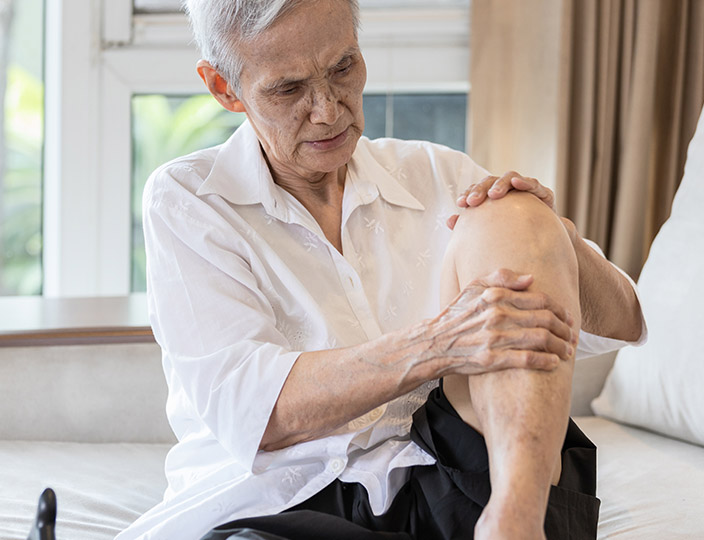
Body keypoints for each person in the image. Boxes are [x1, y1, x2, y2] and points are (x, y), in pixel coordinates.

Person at [117, 1, 645, 538]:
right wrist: (440, 342)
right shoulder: (189, 198)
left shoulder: (438, 173)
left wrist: (546, 234)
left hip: (462, 488)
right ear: (224, 88)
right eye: (289, 89)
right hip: (282, 508)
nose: (328, 109)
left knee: (512, 213)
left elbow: (624, 320)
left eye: (343, 68)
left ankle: (517, 520)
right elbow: (258, 413)